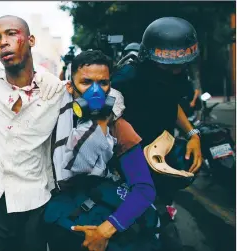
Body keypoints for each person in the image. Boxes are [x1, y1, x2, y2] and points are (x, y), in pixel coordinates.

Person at [0, 15, 64, 251]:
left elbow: (107, 100)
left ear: (31, 40)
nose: (3, 43)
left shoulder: (55, 92)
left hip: (36, 202)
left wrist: (50, 79)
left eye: (11, 34)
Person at [46, 50, 158, 251]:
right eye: (86, 82)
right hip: (65, 218)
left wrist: (105, 230)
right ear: (70, 87)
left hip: (105, 214)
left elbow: (144, 189)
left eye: (103, 83)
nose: (95, 92)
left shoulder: (118, 126)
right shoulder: (52, 120)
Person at [112, 17, 202, 228]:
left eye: (180, 65)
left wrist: (192, 134)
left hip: (163, 154)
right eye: (168, 67)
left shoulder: (177, 73)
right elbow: (108, 120)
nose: (176, 71)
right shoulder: (126, 79)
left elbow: (172, 103)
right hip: (130, 162)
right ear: (148, 57)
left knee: (163, 213)